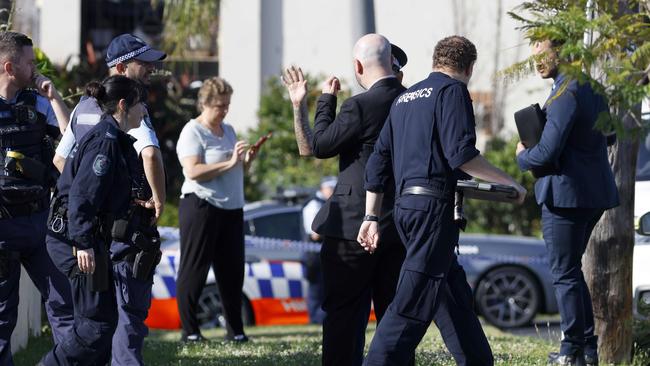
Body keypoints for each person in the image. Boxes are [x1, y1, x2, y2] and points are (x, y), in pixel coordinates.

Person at [357, 35, 527, 366]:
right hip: (432, 211)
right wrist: (509, 181)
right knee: (411, 304)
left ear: (436, 60)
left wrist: (371, 218)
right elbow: (461, 155)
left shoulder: (404, 100)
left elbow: (378, 163)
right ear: (469, 67)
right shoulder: (452, 91)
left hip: (406, 210)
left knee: (452, 296)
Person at [282, 34, 408, 366]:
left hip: (353, 225)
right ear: (397, 70)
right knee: (394, 316)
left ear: (357, 66)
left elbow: (318, 146)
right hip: (401, 225)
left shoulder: (361, 104)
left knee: (343, 316)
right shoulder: (415, 103)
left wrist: (324, 101)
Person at [51, 33, 167, 366]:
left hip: (88, 231)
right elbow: (151, 154)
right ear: (119, 69)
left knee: (93, 320)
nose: (149, 70)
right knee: (124, 313)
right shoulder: (126, 111)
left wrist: (75, 207)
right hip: (111, 232)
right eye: (142, 64)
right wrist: (157, 199)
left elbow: (62, 162)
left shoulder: (84, 107)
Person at [515, 39, 619, 366]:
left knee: (563, 272)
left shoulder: (565, 93)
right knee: (571, 271)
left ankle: (570, 351)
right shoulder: (593, 86)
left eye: (542, 55)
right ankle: (586, 350)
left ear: (564, 50)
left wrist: (521, 156)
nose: (537, 63)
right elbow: (611, 135)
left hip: (566, 196)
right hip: (593, 194)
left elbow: (546, 152)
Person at [40, 75, 146, 365]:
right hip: (76, 243)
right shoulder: (105, 142)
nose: (145, 111)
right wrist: (83, 243)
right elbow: (82, 197)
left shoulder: (115, 139)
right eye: (141, 105)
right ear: (123, 105)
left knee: (104, 321)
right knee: (93, 327)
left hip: (88, 240)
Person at [0, 30, 73, 366]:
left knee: (64, 303)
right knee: (3, 317)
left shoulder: (37, 103)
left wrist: (55, 97)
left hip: (40, 222)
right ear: (9, 66)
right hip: (4, 226)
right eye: (30, 63)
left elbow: (74, 139)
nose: (36, 68)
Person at [175, 76, 257, 343]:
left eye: (227, 105)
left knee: (233, 272)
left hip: (232, 208)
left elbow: (235, 169)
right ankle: (190, 332)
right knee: (195, 270)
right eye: (220, 105)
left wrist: (245, 162)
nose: (224, 110)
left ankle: (236, 332)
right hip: (201, 205)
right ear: (205, 104)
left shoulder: (229, 130)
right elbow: (193, 171)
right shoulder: (193, 131)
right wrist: (231, 161)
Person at [301, 176, 337, 324]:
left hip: (324, 255)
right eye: (332, 188)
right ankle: (316, 321)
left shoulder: (326, 203)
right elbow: (315, 234)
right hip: (314, 257)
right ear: (324, 188)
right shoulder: (314, 205)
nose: (335, 191)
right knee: (316, 292)